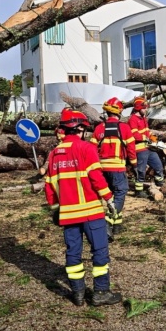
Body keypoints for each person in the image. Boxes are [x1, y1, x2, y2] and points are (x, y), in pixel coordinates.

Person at [44, 110, 123, 307]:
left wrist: (56, 209)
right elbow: (96, 178)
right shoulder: (86, 148)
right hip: (91, 212)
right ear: (79, 128)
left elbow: (50, 186)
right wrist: (109, 199)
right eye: (84, 128)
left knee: (73, 252)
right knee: (100, 250)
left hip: (68, 213)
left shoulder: (54, 154)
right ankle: (101, 292)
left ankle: (78, 293)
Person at [90, 97, 137, 236]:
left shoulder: (99, 128)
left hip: (101, 169)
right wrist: (134, 164)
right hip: (117, 168)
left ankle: (117, 226)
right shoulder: (124, 128)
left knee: (109, 195)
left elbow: (92, 149)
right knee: (120, 194)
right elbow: (131, 149)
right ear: (119, 112)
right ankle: (108, 221)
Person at [128, 97, 163, 198]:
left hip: (148, 148)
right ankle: (138, 191)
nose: (146, 109)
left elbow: (147, 131)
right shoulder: (133, 119)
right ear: (139, 108)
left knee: (158, 165)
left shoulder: (144, 118)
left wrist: (153, 137)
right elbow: (134, 135)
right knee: (141, 171)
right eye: (144, 108)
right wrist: (146, 138)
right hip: (139, 149)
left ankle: (159, 184)